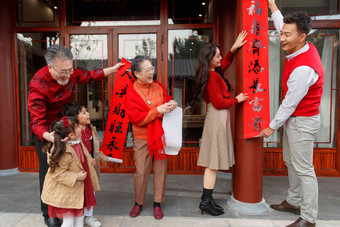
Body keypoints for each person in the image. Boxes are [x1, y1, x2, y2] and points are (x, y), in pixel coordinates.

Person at [27, 45, 123, 226]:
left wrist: (113, 69)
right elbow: (36, 123)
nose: (68, 75)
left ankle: (74, 210)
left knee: (74, 169)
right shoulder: (37, 86)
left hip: (67, 128)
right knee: (51, 171)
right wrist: (51, 137)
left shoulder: (69, 72)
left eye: (70, 70)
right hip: (47, 133)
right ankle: (49, 214)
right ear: (50, 67)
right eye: (63, 72)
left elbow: (89, 76)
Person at [259, 1, 324, 227]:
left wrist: (272, 126)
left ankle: (308, 218)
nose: (282, 38)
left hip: (303, 122)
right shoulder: (302, 45)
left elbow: (289, 103)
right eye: (282, 34)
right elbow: (282, 24)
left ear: (302, 36)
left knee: (305, 169)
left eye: (287, 35)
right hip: (296, 120)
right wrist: (272, 5)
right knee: (291, 162)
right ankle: (293, 202)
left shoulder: (303, 69)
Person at [190, 32, 248, 216]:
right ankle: (206, 201)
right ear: (210, 59)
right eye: (218, 55)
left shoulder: (212, 72)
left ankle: (206, 199)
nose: (221, 57)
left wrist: (233, 48)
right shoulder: (212, 76)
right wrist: (237, 99)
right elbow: (218, 103)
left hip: (217, 118)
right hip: (216, 118)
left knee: (212, 163)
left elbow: (225, 63)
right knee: (212, 163)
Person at [125, 56, 177, 220]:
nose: (151, 72)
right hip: (142, 137)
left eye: (152, 68)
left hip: (159, 135)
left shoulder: (158, 86)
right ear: (136, 73)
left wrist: (171, 104)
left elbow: (166, 101)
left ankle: (157, 203)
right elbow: (137, 119)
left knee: (161, 169)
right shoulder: (131, 93)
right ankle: (138, 202)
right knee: (141, 171)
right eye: (147, 70)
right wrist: (158, 110)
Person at [41, 116, 100, 227]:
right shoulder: (62, 151)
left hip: (76, 190)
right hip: (65, 192)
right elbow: (59, 174)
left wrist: (89, 160)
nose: (81, 127)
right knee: (69, 221)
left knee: (79, 218)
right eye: (78, 126)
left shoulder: (77, 141)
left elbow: (84, 154)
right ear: (71, 135)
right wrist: (76, 176)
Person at [62, 101, 107, 227]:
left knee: (90, 191)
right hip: (77, 168)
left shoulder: (90, 128)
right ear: (74, 118)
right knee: (78, 192)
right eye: (84, 112)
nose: (88, 114)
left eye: (86, 111)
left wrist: (101, 158)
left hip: (89, 167)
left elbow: (94, 148)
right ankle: (73, 216)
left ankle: (88, 216)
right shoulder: (71, 133)